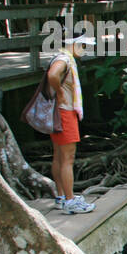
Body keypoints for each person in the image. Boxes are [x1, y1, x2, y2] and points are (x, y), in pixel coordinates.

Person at [48, 32, 96, 214]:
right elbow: (53, 75)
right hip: (65, 112)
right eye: (82, 45)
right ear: (73, 44)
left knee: (59, 156)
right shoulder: (64, 60)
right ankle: (69, 200)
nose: (83, 49)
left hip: (57, 113)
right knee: (68, 159)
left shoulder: (59, 57)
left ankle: (61, 196)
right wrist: (60, 92)